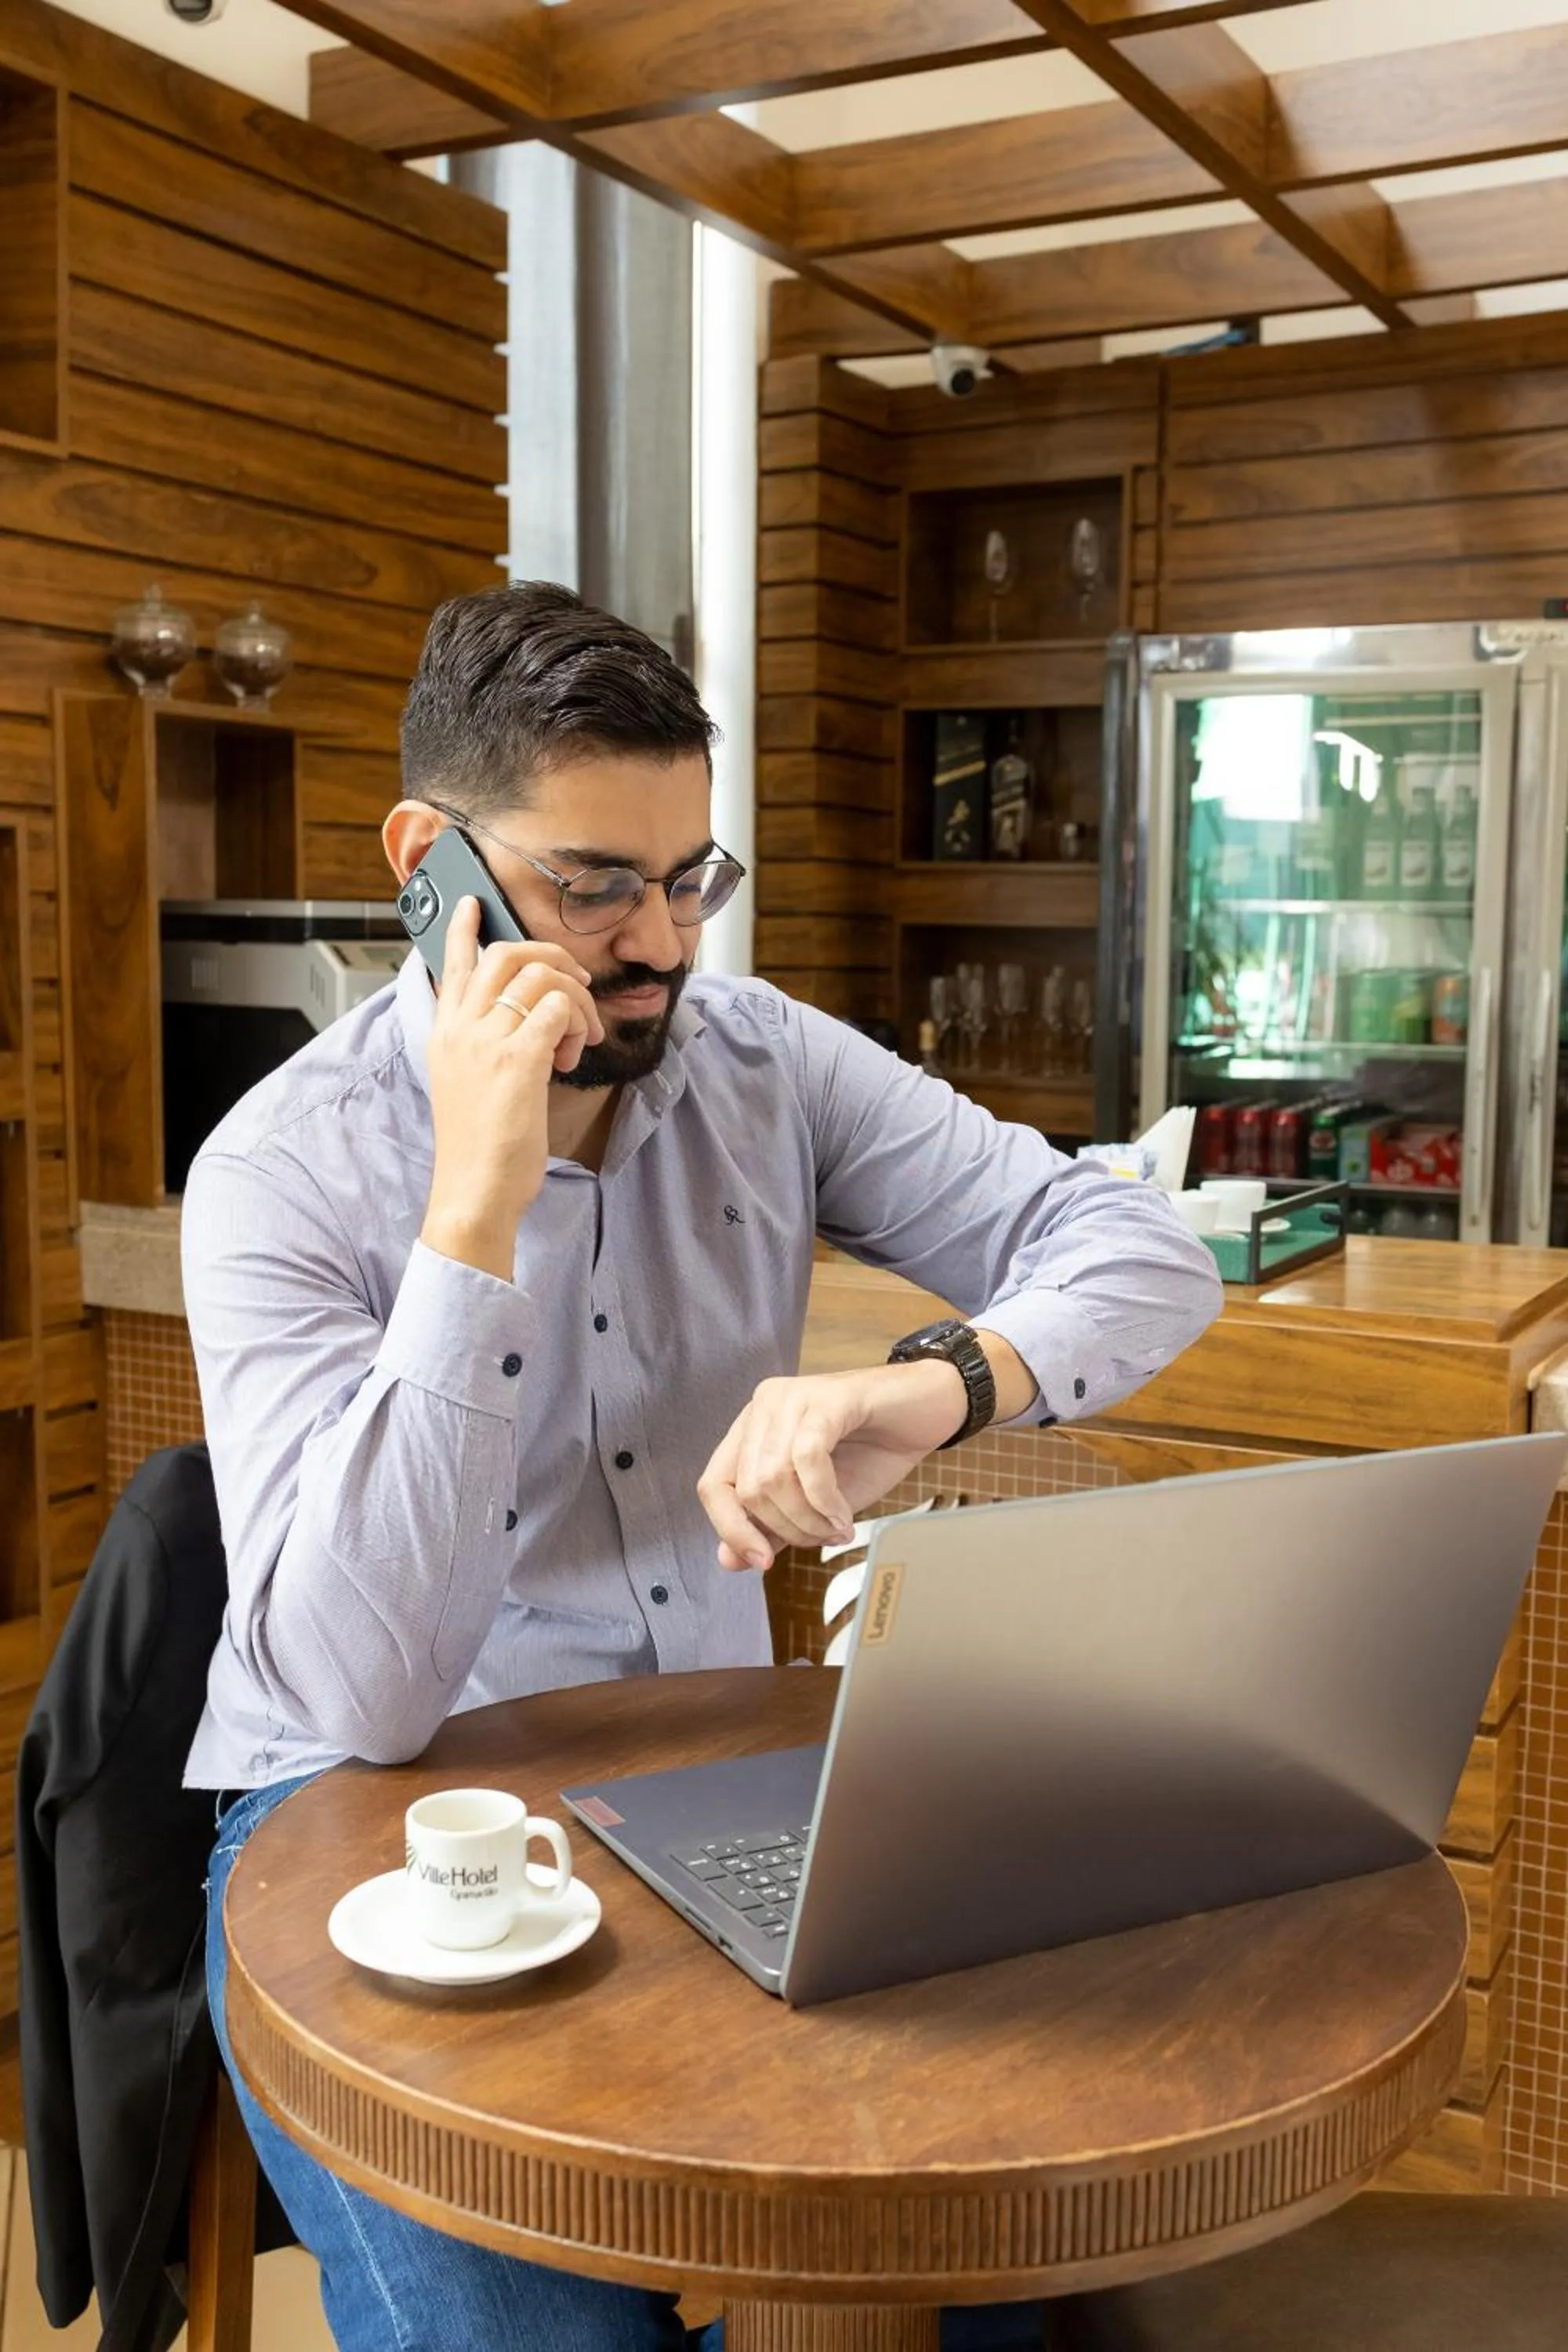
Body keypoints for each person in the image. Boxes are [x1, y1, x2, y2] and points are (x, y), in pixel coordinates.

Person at [186, 582, 1222, 2352]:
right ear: (430, 864)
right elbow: (364, 1698)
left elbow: (1142, 1249)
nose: (660, 942)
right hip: (363, 1818)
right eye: (595, 884)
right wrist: (476, 1209)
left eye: (691, 878)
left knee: (988, 2255)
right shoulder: (278, 1175)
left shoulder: (763, 1061)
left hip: (710, 1781)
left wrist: (934, 1388)